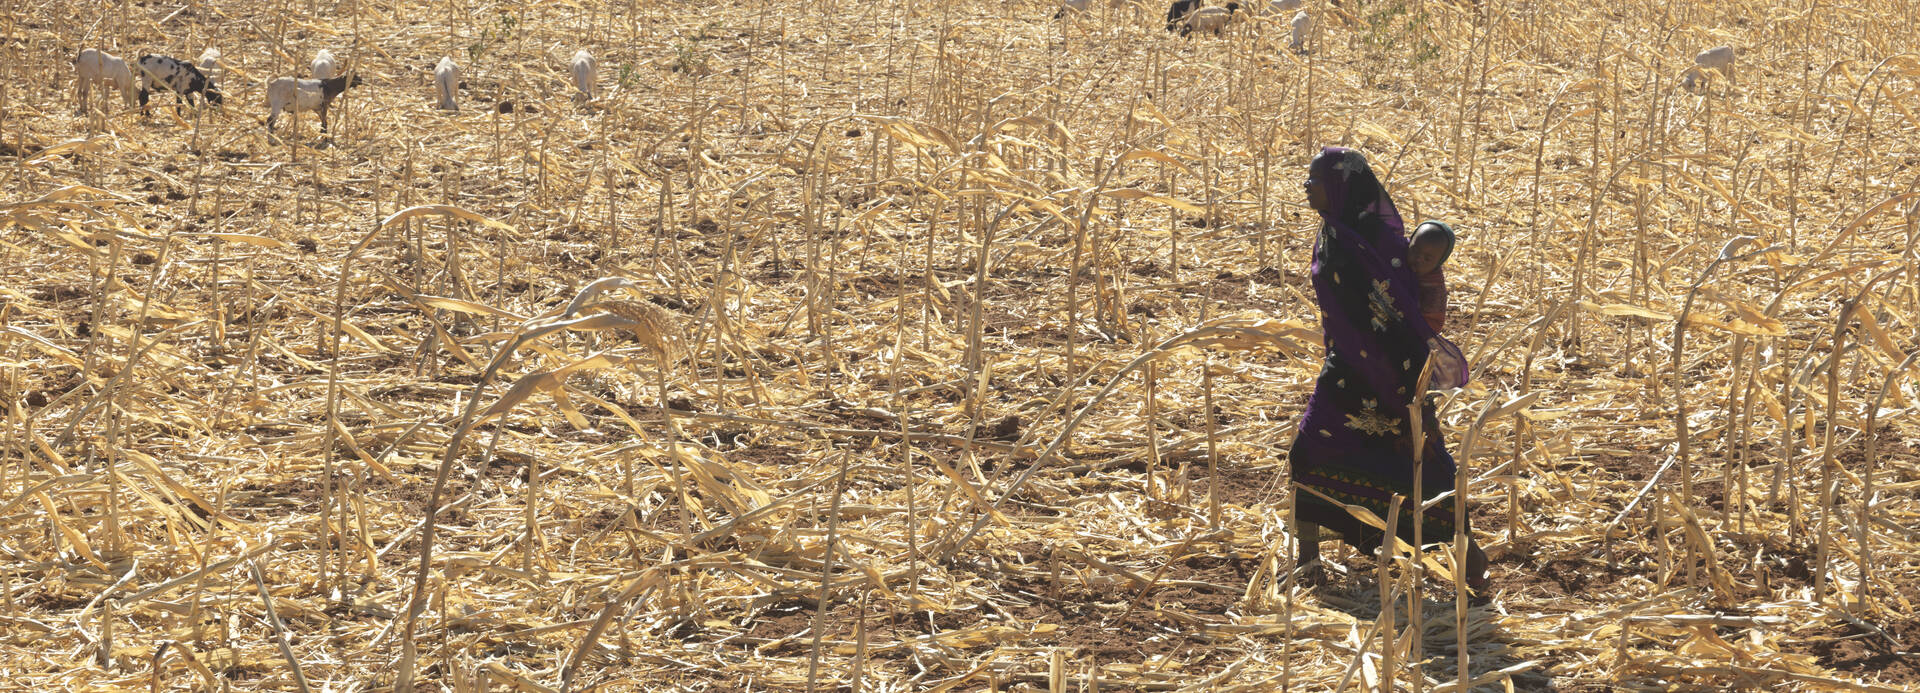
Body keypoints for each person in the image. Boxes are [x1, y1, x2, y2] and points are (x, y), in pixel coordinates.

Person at [1290, 148, 1487, 591]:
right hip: (1346, 368)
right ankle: (1308, 561)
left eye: (1315, 178)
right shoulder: (1334, 232)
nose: (1307, 186)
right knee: (1310, 452)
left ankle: (1471, 558)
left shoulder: (1372, 238)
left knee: (1422, 463)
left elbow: (1406, 303)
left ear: (1340, 185)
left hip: (1392, 372)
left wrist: (1388, 362)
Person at [1408, 220, 1456, 333]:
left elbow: (1433, 324)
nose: (1418, 259)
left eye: (1427, 259)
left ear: (1439, 262)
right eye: (1415, 250)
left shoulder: (1434, 289)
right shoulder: (1398, 254)